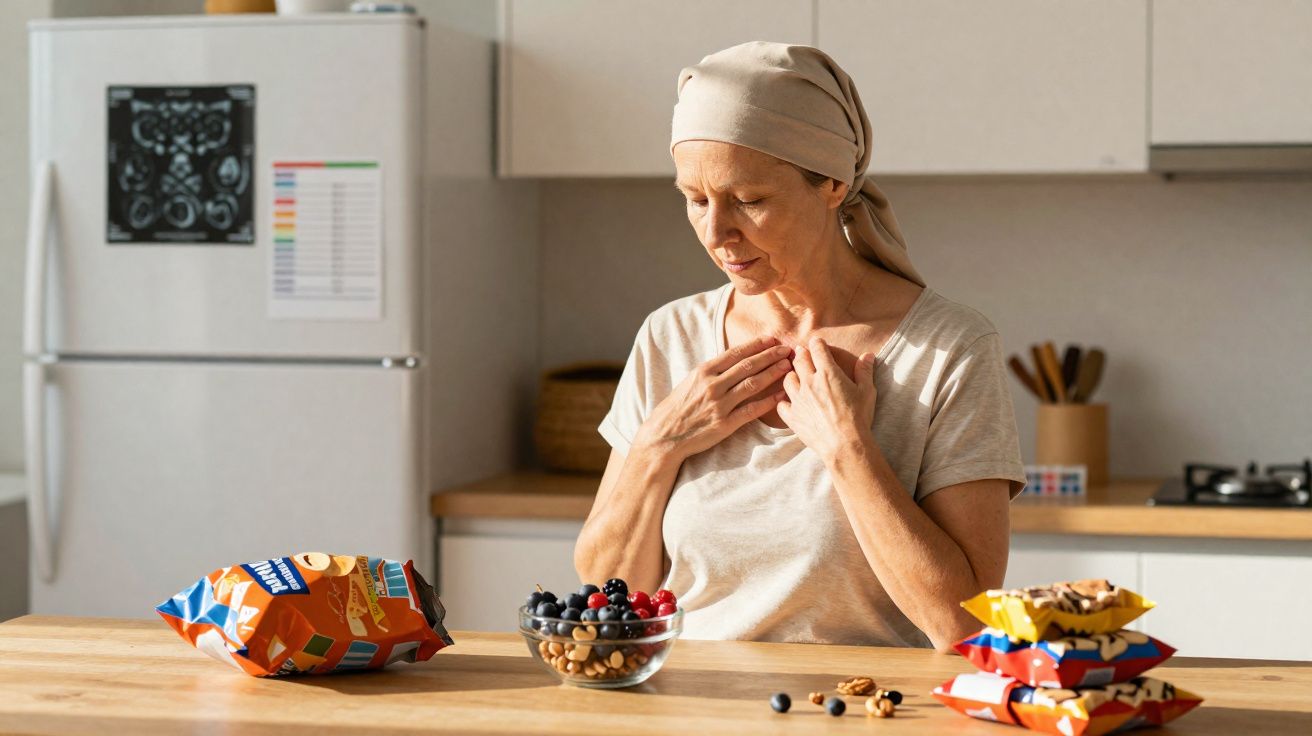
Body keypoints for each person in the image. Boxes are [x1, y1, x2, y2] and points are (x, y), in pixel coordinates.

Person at [574, 42, 1025, 651]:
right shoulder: (671, 336)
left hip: (864, 710)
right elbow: (608, 589)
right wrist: (659, 446)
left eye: (750, 201)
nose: (716, 233)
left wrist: (850, 450)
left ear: (833, 182)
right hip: (691, 708)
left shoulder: (947, 350)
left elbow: (965, 626)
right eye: (695, 199)